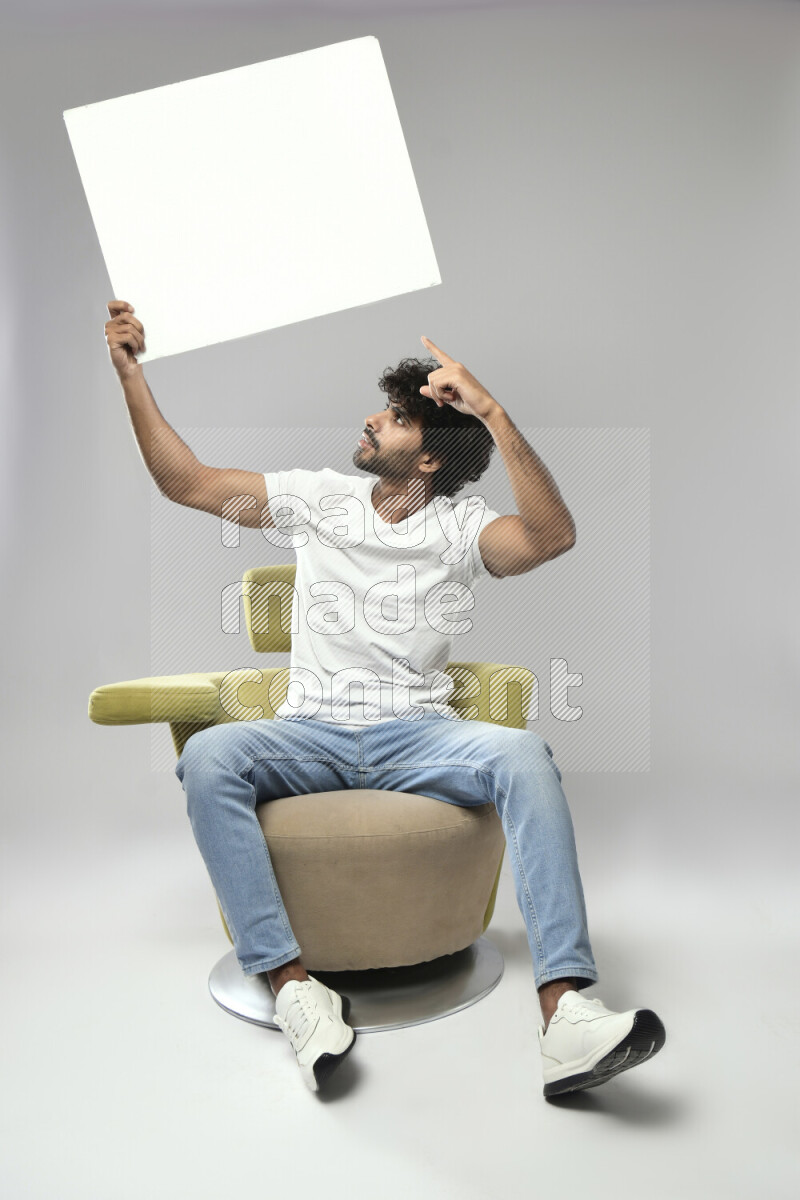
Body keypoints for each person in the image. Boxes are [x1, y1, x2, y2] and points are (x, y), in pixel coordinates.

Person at [104, 299, 666, 1097]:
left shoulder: (460, 528)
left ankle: (567, 1013)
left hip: (417, 735)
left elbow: (550, 538)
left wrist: (492, 412)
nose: (373, 420)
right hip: (311, 733)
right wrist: (131, 373)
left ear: (430, 461)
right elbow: (184, 481)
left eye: (397, 419)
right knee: (210, 754)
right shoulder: (317, 498)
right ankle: (294, 989)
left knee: (525, 755)